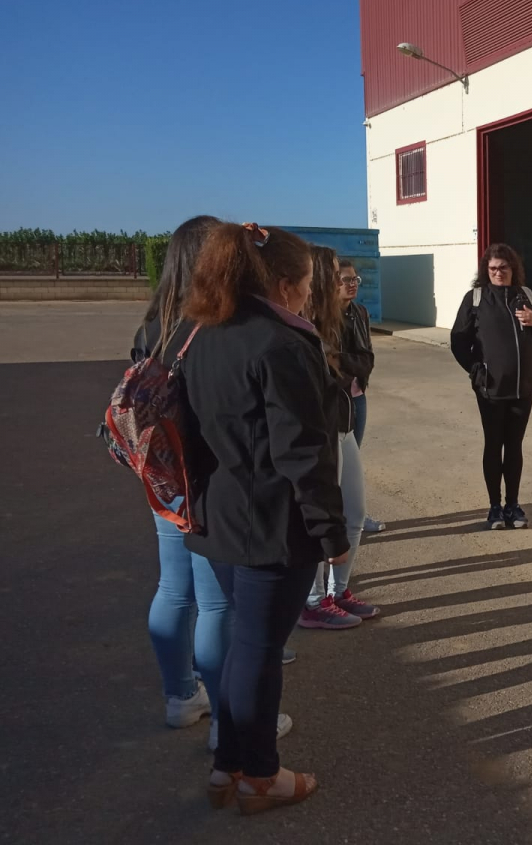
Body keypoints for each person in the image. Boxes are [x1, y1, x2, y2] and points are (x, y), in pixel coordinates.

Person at [180, 222, 349, 814]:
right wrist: (332, 532)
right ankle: (260, 775)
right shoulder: (280, 343)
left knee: (245, 646)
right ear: (283, 285)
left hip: (218, 516)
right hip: (270, 525)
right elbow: (302, 452)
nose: (309, 295)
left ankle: (228, 764)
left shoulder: (202, 332)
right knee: (259, 650)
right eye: (307, 285)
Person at [134, 215, 231, 731]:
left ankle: (180, 696)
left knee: (173, 590)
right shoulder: (213, 326)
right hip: (208, 482)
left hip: (164, 480)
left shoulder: (153, 325)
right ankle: (226, 727)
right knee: (216, 604)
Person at [299, 246, 378, 629]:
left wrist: (341, 364)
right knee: (321, 517)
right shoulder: (303, 321)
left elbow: (362, 363)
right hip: (322, 431)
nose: (343, 281)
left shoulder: (347, 317)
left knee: (355, 513)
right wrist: (338, 368)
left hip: (344, 424)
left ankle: (338, 591)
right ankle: (313, 601)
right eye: (334, 273)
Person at [450, 244, 532, 529]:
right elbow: (458, 341)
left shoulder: (527, 296)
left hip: (523, 387)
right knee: (494, 445)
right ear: (486, 270)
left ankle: (513, 505)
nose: (498, 273)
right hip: (491, 389)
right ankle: (495, 507)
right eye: (493, 268)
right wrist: (476, 370)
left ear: (513, 269)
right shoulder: (475, 299)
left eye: (503, 268)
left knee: (515, 446)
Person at [336, 258, 384, 533]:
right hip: (336, 399)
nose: (352, 284)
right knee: (336, 462)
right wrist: (351, 364)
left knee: (353, 458)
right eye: (346, 280)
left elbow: (366, 358)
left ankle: (355, 513)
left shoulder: (360, 313)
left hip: (357, 395)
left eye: (355, 279)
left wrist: (344, 362)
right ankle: (339, 518)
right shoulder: (322, 316)